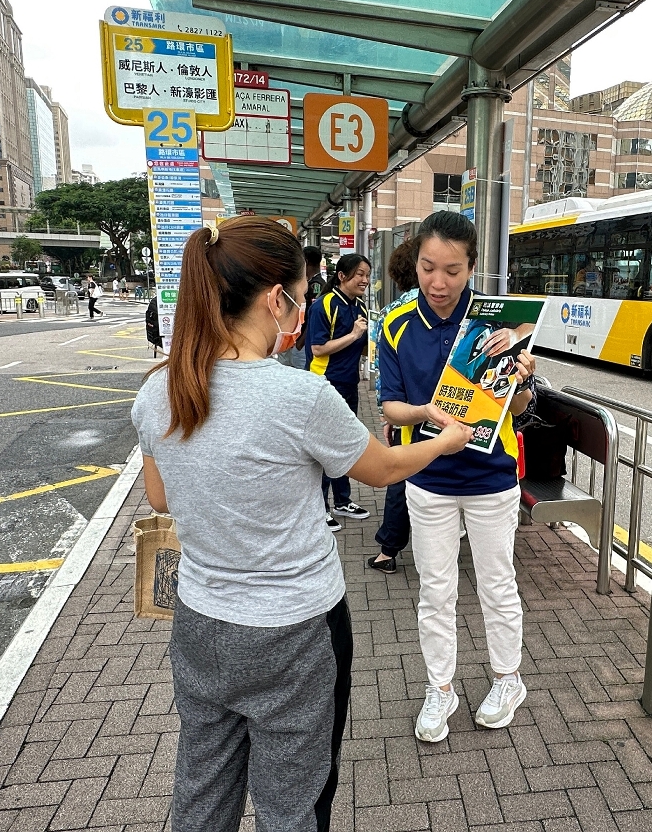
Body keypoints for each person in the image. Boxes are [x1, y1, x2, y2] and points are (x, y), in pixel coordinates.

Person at [130, 217, 470, 832]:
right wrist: (445, 442)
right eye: (302, 295)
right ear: (274, 300)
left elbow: (160, 497)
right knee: (292, 801)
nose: (303, 309)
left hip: (201, 620)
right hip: (297, 630)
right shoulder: (300, 398)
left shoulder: (161, 389)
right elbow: (384, 470)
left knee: (202, 784)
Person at [377, 210, 537, 743]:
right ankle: (440, 688)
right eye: (428, 267)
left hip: (492, 477)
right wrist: (426, 412)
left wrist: (522, 380)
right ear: (415, 262)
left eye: (452, 270)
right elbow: (390, 407)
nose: (438, 282)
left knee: (497, 584)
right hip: (428, 478)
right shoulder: (396, 324)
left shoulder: (500, 322)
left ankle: (508, 680)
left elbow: (517, 410)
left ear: (472, 268)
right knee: (435, 591)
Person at [367, 240, 422, 574]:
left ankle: (388, 551)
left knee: (401, 477)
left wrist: (388, 414)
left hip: (407, 413)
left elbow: (382, 373)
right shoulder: (454, 306)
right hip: (454, 410)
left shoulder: (391, 314)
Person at [308, 253, 372, 532]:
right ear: (342, 276)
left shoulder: (360, 306)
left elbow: (363, 347)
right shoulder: (324, 305)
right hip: (325, 383)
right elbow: (317, 349)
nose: (365, 280)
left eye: (367, 275)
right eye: (359, 274)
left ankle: (342, 501)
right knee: (325, 448)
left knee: (344, 444)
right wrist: (354, 335)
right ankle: (320, 507)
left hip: (349, 383)